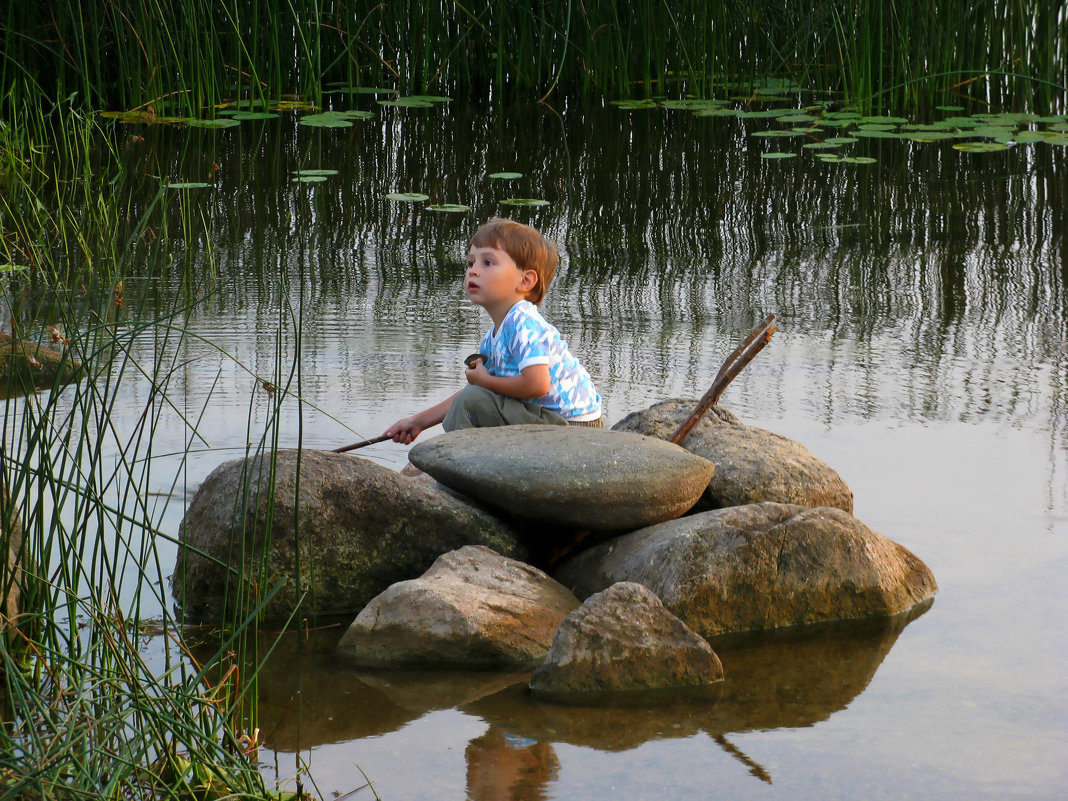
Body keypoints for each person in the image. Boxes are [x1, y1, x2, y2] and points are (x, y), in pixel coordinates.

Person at [384, 218, 602, 444]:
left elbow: (537, 385)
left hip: (573, 427)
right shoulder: (495, 335)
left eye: (487, 263)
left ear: (525, 280)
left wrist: (485, 382)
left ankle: (460, 463)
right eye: (470, 263)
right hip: (547, 420)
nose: (473, 272)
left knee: (473, 399)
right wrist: (418, 422)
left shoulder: (523, 322)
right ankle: (467, 461)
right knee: (473, 398)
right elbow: (480, 393)